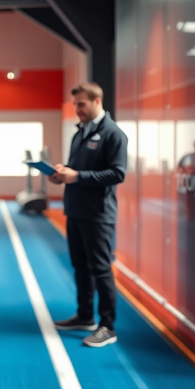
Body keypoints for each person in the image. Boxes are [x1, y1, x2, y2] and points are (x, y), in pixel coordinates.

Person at [48, 82, 128, 347]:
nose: (77, 109)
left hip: (98, 215)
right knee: (80, 267)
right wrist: (63, 174)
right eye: (75, 104)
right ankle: (85, 316)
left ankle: (108, 327)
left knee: (101, 270)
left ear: (97, 101)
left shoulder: (113, 134)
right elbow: (78, 171)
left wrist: (77, 176)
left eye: (81, 104)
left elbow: (117, 173)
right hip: (76, 211)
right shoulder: (79, 133)